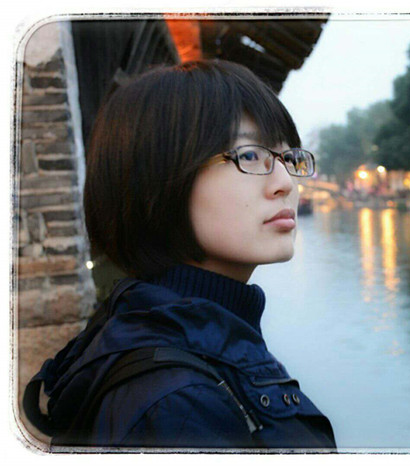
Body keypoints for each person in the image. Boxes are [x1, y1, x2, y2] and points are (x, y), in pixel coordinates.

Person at [27, 60, 336, 449]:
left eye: (288, 158)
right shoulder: (178, 405)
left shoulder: (184, 336)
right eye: (250, 155)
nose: (285, 183)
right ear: (158, 176)